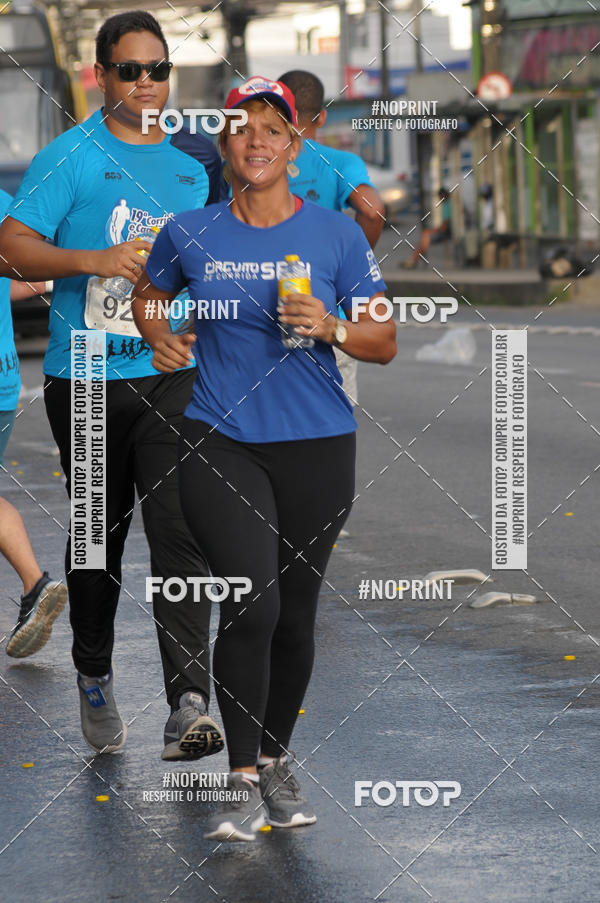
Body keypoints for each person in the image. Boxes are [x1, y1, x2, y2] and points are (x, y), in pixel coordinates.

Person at [131, 76, 397, 841]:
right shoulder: (191, 231)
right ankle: (241, 776)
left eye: (272, 129)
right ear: (225, 147)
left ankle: (277, 758)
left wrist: (333, 327)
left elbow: (383, 340)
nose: (257, 141)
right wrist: (158, 332)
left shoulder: (337, 236)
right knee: (256, 600)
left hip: (318, 444)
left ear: (294, 144)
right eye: (241, 129)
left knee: (297, 617)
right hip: (220, 437)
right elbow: (151, 292)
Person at [0, 11, 225, 760]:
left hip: (172, 371)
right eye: (130, 70)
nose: (146, 84)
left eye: (157, 70)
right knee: (98, 540)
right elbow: (11, 246)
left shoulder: (193, 168)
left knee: (181, 530)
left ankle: (188, 699)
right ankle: (93, 673)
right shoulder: (69, 157)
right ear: (101, 76)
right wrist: (94, 261)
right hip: (89, 376)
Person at [278, 69, 384, 405]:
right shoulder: (339, 162)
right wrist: (353, 267)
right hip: (324, 314)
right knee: (332, 422)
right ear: (321, 117)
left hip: (262, 311)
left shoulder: (256, 159)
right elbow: (372, 210)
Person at [0, 187, 68, 658]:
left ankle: (36, 584)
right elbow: (13, 278)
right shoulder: (7, 204)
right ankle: (34, 587)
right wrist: (54, 280)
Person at [402, 186, 451, 268]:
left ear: (443, 195)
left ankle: (414, 260)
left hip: (447, 232)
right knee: (425, 236)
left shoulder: (447, 206)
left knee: (426, 235)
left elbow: (444, 227)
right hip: (447, 230)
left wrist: (433, 230)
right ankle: (414, 259)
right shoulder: (449, 205)